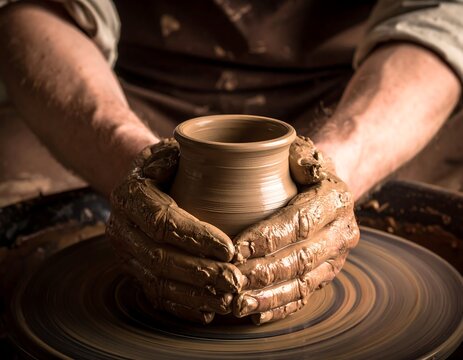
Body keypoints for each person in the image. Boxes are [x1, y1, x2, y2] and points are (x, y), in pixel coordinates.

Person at [0, 0, 461, 324]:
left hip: (361, 89)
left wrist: (338, 164)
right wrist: (128, 157)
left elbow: (439, 16)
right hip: (122, 87)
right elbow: (34, 9)